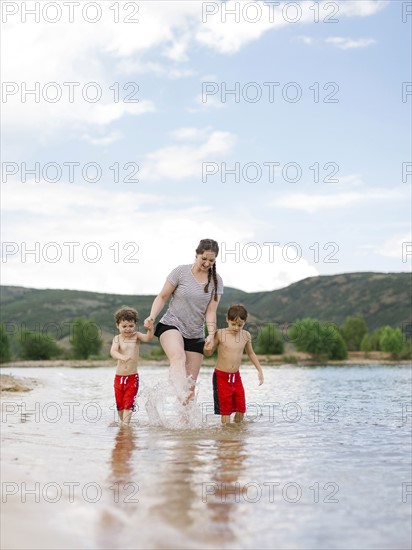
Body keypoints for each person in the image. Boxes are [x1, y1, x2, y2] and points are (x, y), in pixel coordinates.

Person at [144, 239, 223, 403]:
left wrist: (211, 334)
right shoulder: (180, 272)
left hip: (195, 333)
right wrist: (152, 316)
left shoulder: (216, 280)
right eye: (204, 258)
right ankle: (179, 392)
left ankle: (186, 426)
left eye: (211, 260)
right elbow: (162, 296)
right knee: (178, 356)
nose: (207, 263)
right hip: (172, 324)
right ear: (197, 254)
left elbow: (211, 311)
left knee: (190, 389)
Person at [203, 304, 264, 424]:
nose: (236, 328)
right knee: (226, 412)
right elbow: (209, 353)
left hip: (236, 378)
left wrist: (259, 370)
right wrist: (206, 348)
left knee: (241, 408)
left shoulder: (246, 335)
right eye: (233, 324)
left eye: (240, 325)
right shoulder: (220, 334)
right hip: (221, 377)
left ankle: (237, 435)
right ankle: (226, 439)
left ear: (245, 322)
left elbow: (251, 354)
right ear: (227, 320)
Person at [110, 306, 153, 424]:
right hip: (119, 378)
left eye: (131, 326)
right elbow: (113, 352)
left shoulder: (136, 336)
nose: (128, 329)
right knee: (120, 405)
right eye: (124, 326)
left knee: (128, 404)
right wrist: (122, 357)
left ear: (135, 325)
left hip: (132, 378)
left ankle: (125, 426)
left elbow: (148, 338)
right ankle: (123, 425)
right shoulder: (117, 339)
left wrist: (150, 329)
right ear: (117, 325)